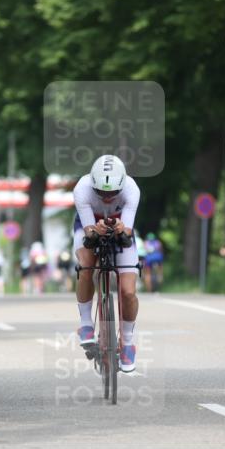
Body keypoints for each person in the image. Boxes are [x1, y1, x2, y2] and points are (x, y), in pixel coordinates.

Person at [72, 154, 141, 373]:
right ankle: (85, 324)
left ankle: (128, 344)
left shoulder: (131, 188)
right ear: (93, 184)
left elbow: (126, 236)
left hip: (120, 225)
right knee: (85, 265)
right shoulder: (82, 189)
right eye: (102, 192)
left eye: (113, 192)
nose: (108, 196)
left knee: (128, 291)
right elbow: (89, 234)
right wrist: (95, 230)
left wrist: (121, 230)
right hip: (89, 224)